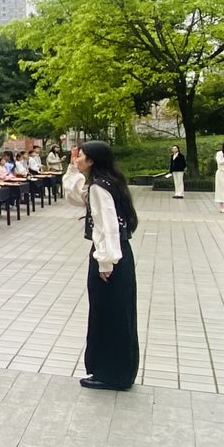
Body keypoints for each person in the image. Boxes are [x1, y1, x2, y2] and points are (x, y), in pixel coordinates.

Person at [64, 141, 139, 391]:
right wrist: (72, 170)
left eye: (81, 156)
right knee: (118, 314)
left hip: (109, 256)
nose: (77, 159)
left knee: (107, 314)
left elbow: (108, 225)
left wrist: (106, 262)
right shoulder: (109, 182)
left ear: (92, 160)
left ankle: (110, 374)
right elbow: (76, 196)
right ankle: (119, 371)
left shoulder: (98, 187)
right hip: (119, 254)